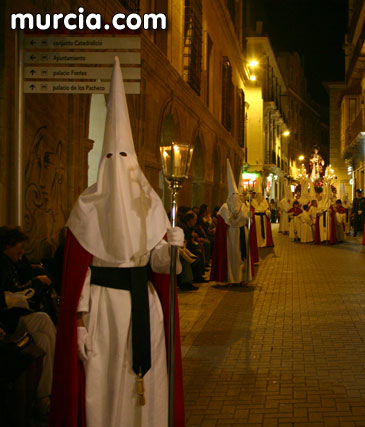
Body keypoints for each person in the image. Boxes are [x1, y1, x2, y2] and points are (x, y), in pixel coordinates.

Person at [50, 57, 185, 427]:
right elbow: (79, 275)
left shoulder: (152, 203)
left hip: (145, 305)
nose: (118, 163)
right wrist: (78, 323)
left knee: (146, 384)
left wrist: (172, 248)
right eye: (111, 156)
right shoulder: (85, 207)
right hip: (103, 313)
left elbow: (159, 265)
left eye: (124, 157)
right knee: (105, 384)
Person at [1, 226, 57, 415]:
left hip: (15, 317)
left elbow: (25, 271)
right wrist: (34, 283)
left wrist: (35, 274)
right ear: (7, 246)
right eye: (19, 247)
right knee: (43, 320)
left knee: (42, 341)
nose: (22, 251)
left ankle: (43, 397)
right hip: (7, 320)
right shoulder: (2, 264)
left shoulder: (13, 262)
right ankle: (51, 392)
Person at [211, 160, 254, 285]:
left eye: (237, 195)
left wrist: (249, 216)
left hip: (241, 234)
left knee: (242, 256)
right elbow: (222, 222)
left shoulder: (244, 206)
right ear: (229, 196)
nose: (235, 198)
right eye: (233, 195)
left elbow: (247, 220)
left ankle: (242, 278)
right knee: (231, 257)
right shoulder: (225, 207)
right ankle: (231, 278)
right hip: (230, 235)